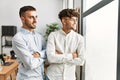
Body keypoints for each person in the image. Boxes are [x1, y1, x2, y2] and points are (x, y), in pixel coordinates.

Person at [45, 9, 85, 80]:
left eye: (76, 20)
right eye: (73, 20)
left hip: (70, 77)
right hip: (52, 77)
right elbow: (51, 58)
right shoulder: (53, 35)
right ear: (64, 21)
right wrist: (71, 56)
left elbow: (81, 61)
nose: (76, 22)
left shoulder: (79, 38)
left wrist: (59, 56)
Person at [12, 6, 46, 80]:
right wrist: (44, 57)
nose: (35, 20)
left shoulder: (39, 36)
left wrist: (39, 54)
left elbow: (48, 51)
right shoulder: (18, 38)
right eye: (31, 17)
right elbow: (30, 64)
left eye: (36, 17)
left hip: (41, 77)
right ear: (22, 19)